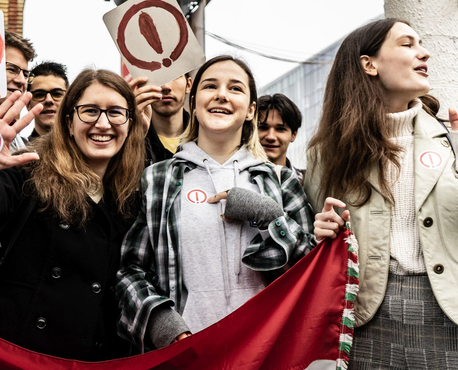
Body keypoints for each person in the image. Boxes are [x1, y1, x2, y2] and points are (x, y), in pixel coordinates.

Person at [304, 18, 458, 369]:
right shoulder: (326, 154)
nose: (424, 52)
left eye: (422, 43)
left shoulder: (456, 141)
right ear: (369, 64)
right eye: (407, 44)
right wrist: (321, 234)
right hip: (365, 322)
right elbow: (317, 253)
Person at [0, 69, 146, 360]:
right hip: (19, 354)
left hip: (94, 360)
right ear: (69, 122)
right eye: (90, 111)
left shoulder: (137, 193)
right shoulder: (29, 170)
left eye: (115, 112)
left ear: (130, 124)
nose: (103, 123)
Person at [117, 55, 317, 352]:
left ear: (250, 110)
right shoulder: (157, 179)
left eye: (235, 88)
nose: (222, 94)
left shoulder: (282, 180)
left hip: (265, 349)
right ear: (193, 102)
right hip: (188, 353)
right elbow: (129, 270)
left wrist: (267, 215)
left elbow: (312, 268)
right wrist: (163, 325)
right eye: (211, 86)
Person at [130, 74, 192, 164]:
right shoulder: (129, 138)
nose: (166, 86)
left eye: (176, 76)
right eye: (156, 78)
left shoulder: (205, 139)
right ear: (140, 86)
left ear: (189, 85)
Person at [256, 93, 304, 182]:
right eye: (263, 128)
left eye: (280, 129)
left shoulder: (305, 182)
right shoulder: (238, 177)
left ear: (294, 135)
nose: (271, 137)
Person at [23, 61, 69, 143]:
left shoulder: (85, 150)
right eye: (39, 95)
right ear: (28, 104)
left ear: (68, 101)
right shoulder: (16, 152)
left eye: (57, 94)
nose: (49, 100)